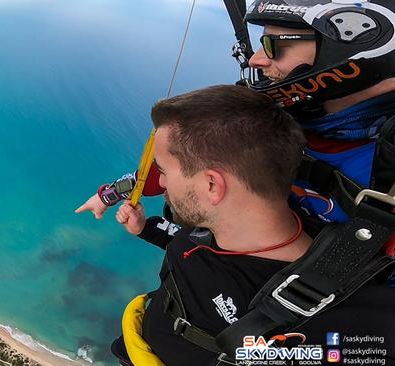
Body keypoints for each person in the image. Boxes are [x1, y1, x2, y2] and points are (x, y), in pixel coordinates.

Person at [109, 85, 394, 365]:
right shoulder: (216, 227)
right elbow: (190, 248)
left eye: (163, 170)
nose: (160, 183)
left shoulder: (351, 320)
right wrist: (145, 228)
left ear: (211, 185)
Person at [75, 0, 395, 236]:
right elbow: (182, 165)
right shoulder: (271, 116)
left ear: (351, 48)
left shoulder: (380, 167)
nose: (256, 60)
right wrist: (110, 194)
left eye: (273, 46)